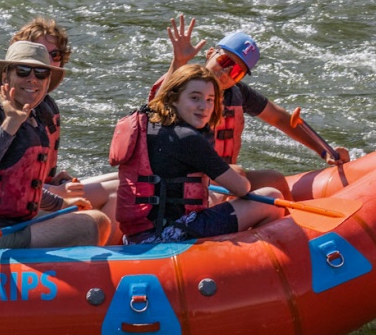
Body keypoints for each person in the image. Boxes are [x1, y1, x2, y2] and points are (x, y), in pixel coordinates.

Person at [156, 14, 350, 197]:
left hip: (224, 178)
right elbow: (154, 112)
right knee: (238, 173)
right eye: (224, 61)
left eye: (237, 72)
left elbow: (280, 118)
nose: (227, 72)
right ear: (210, 54)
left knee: (275, 180)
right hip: (187, 180)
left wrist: (324, 151)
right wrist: (178, 61)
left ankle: (287, 228)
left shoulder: (238, 94)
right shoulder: (184, 84)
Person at [0, 42, 111, 248]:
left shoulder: (34, 119)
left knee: (90, 216)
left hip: (14, 223)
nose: (32, 78)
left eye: (41, 73)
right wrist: (10, 125)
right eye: (22, 71)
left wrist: (61, 204)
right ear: (6, 78)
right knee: (93, 224)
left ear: (47, 81)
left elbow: (21, 187)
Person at [113, 64, 286, 245]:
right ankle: (249, 262)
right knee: (270, 197)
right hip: (169, 235)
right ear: (173, 99)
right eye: (195, 98)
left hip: (135, 236)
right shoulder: (187, 137)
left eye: (210, 99)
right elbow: (241, 188)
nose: (204, 107)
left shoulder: (149, 124)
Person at [0, 17, 117, 222]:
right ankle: (108, 250)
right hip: (15, 204)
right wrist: (60, 192)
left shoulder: (42, 104)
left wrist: (53, 181)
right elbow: (5, 181)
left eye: (54, 54)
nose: (46, 59)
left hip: (41, 192)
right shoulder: (5, 104)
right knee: (119, 191)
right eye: (37, 51)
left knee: (124, 180)